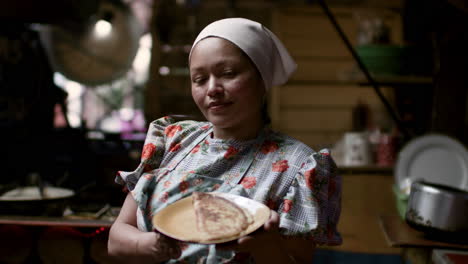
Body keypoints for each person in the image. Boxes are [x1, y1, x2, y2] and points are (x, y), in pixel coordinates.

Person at [108, 17, 342, 264]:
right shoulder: (173, 140)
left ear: (262, 79)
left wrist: (266, 247)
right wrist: (152, 245)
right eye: (199, 79)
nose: (212, 89)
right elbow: (116, 238)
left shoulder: (299, 166)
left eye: (228, 73)